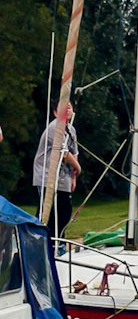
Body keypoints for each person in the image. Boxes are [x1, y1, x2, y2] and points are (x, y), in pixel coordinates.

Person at [33, 101, 80, 239]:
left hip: (63, 177)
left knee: (64, 211)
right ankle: (42, 242)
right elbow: (64, 153)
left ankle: (59, 241)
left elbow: (74, 152)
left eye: (69, 107)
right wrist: (78, 167)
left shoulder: (71, 130)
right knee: (48, 212)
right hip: (47, 176)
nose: (67, 110)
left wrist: (74, 177)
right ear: (55, 112)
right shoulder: (54, 128)